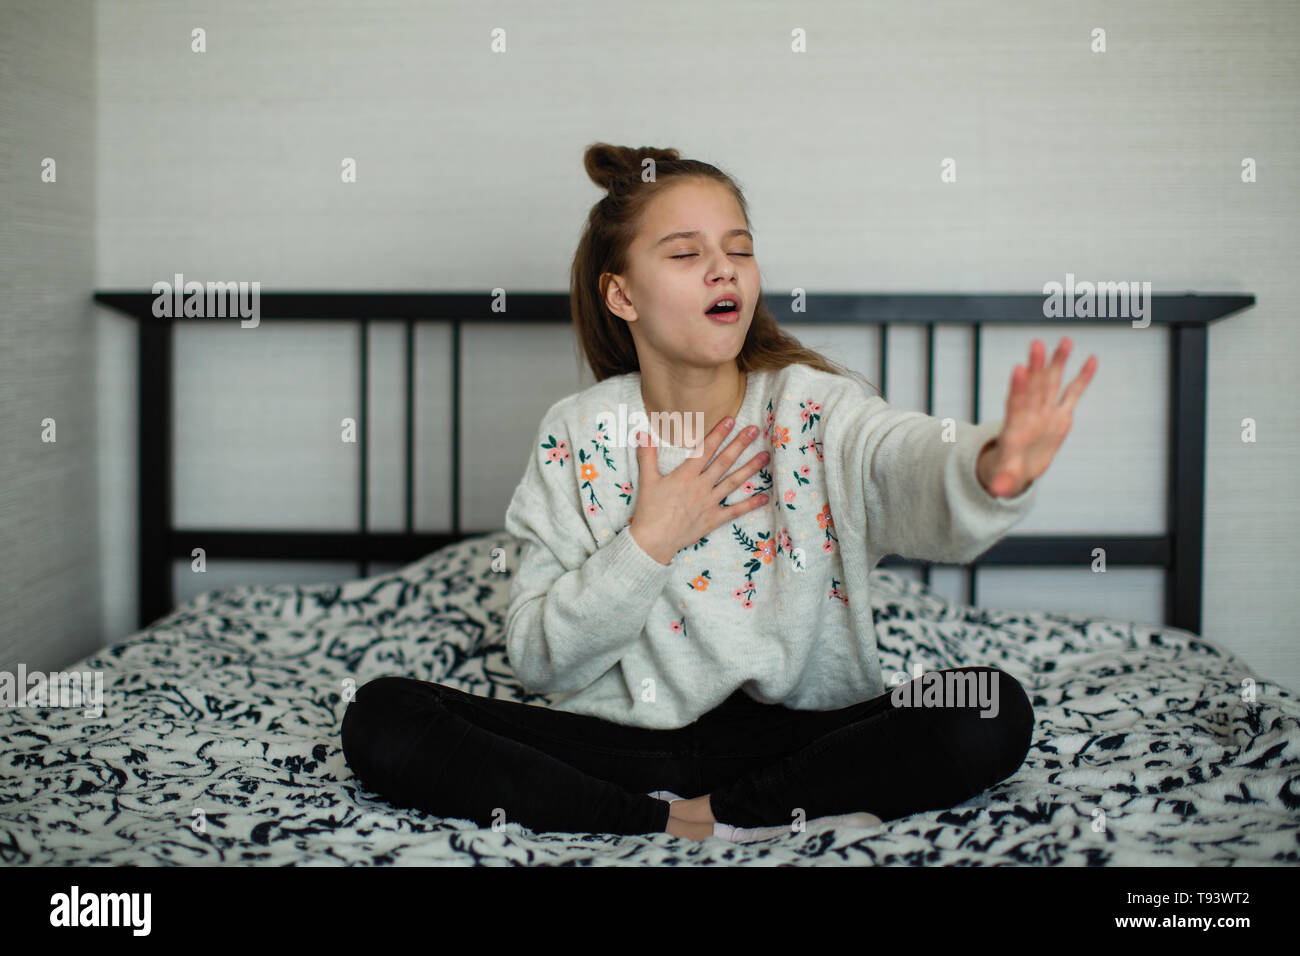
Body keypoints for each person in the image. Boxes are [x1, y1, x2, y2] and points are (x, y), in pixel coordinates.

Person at [341, 142, 1098, 844]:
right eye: (686, 254)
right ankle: (652, 821)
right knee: (382, 715)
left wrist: (987, 467)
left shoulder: (811, 407)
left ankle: (714, 816)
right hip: (621, 749)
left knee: (986, 705)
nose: (724, 269)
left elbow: (899, 462)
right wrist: (650, 541)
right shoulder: (578, 432)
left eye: (740, 250)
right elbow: (540, 660)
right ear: (622, 295)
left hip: (801, 740)